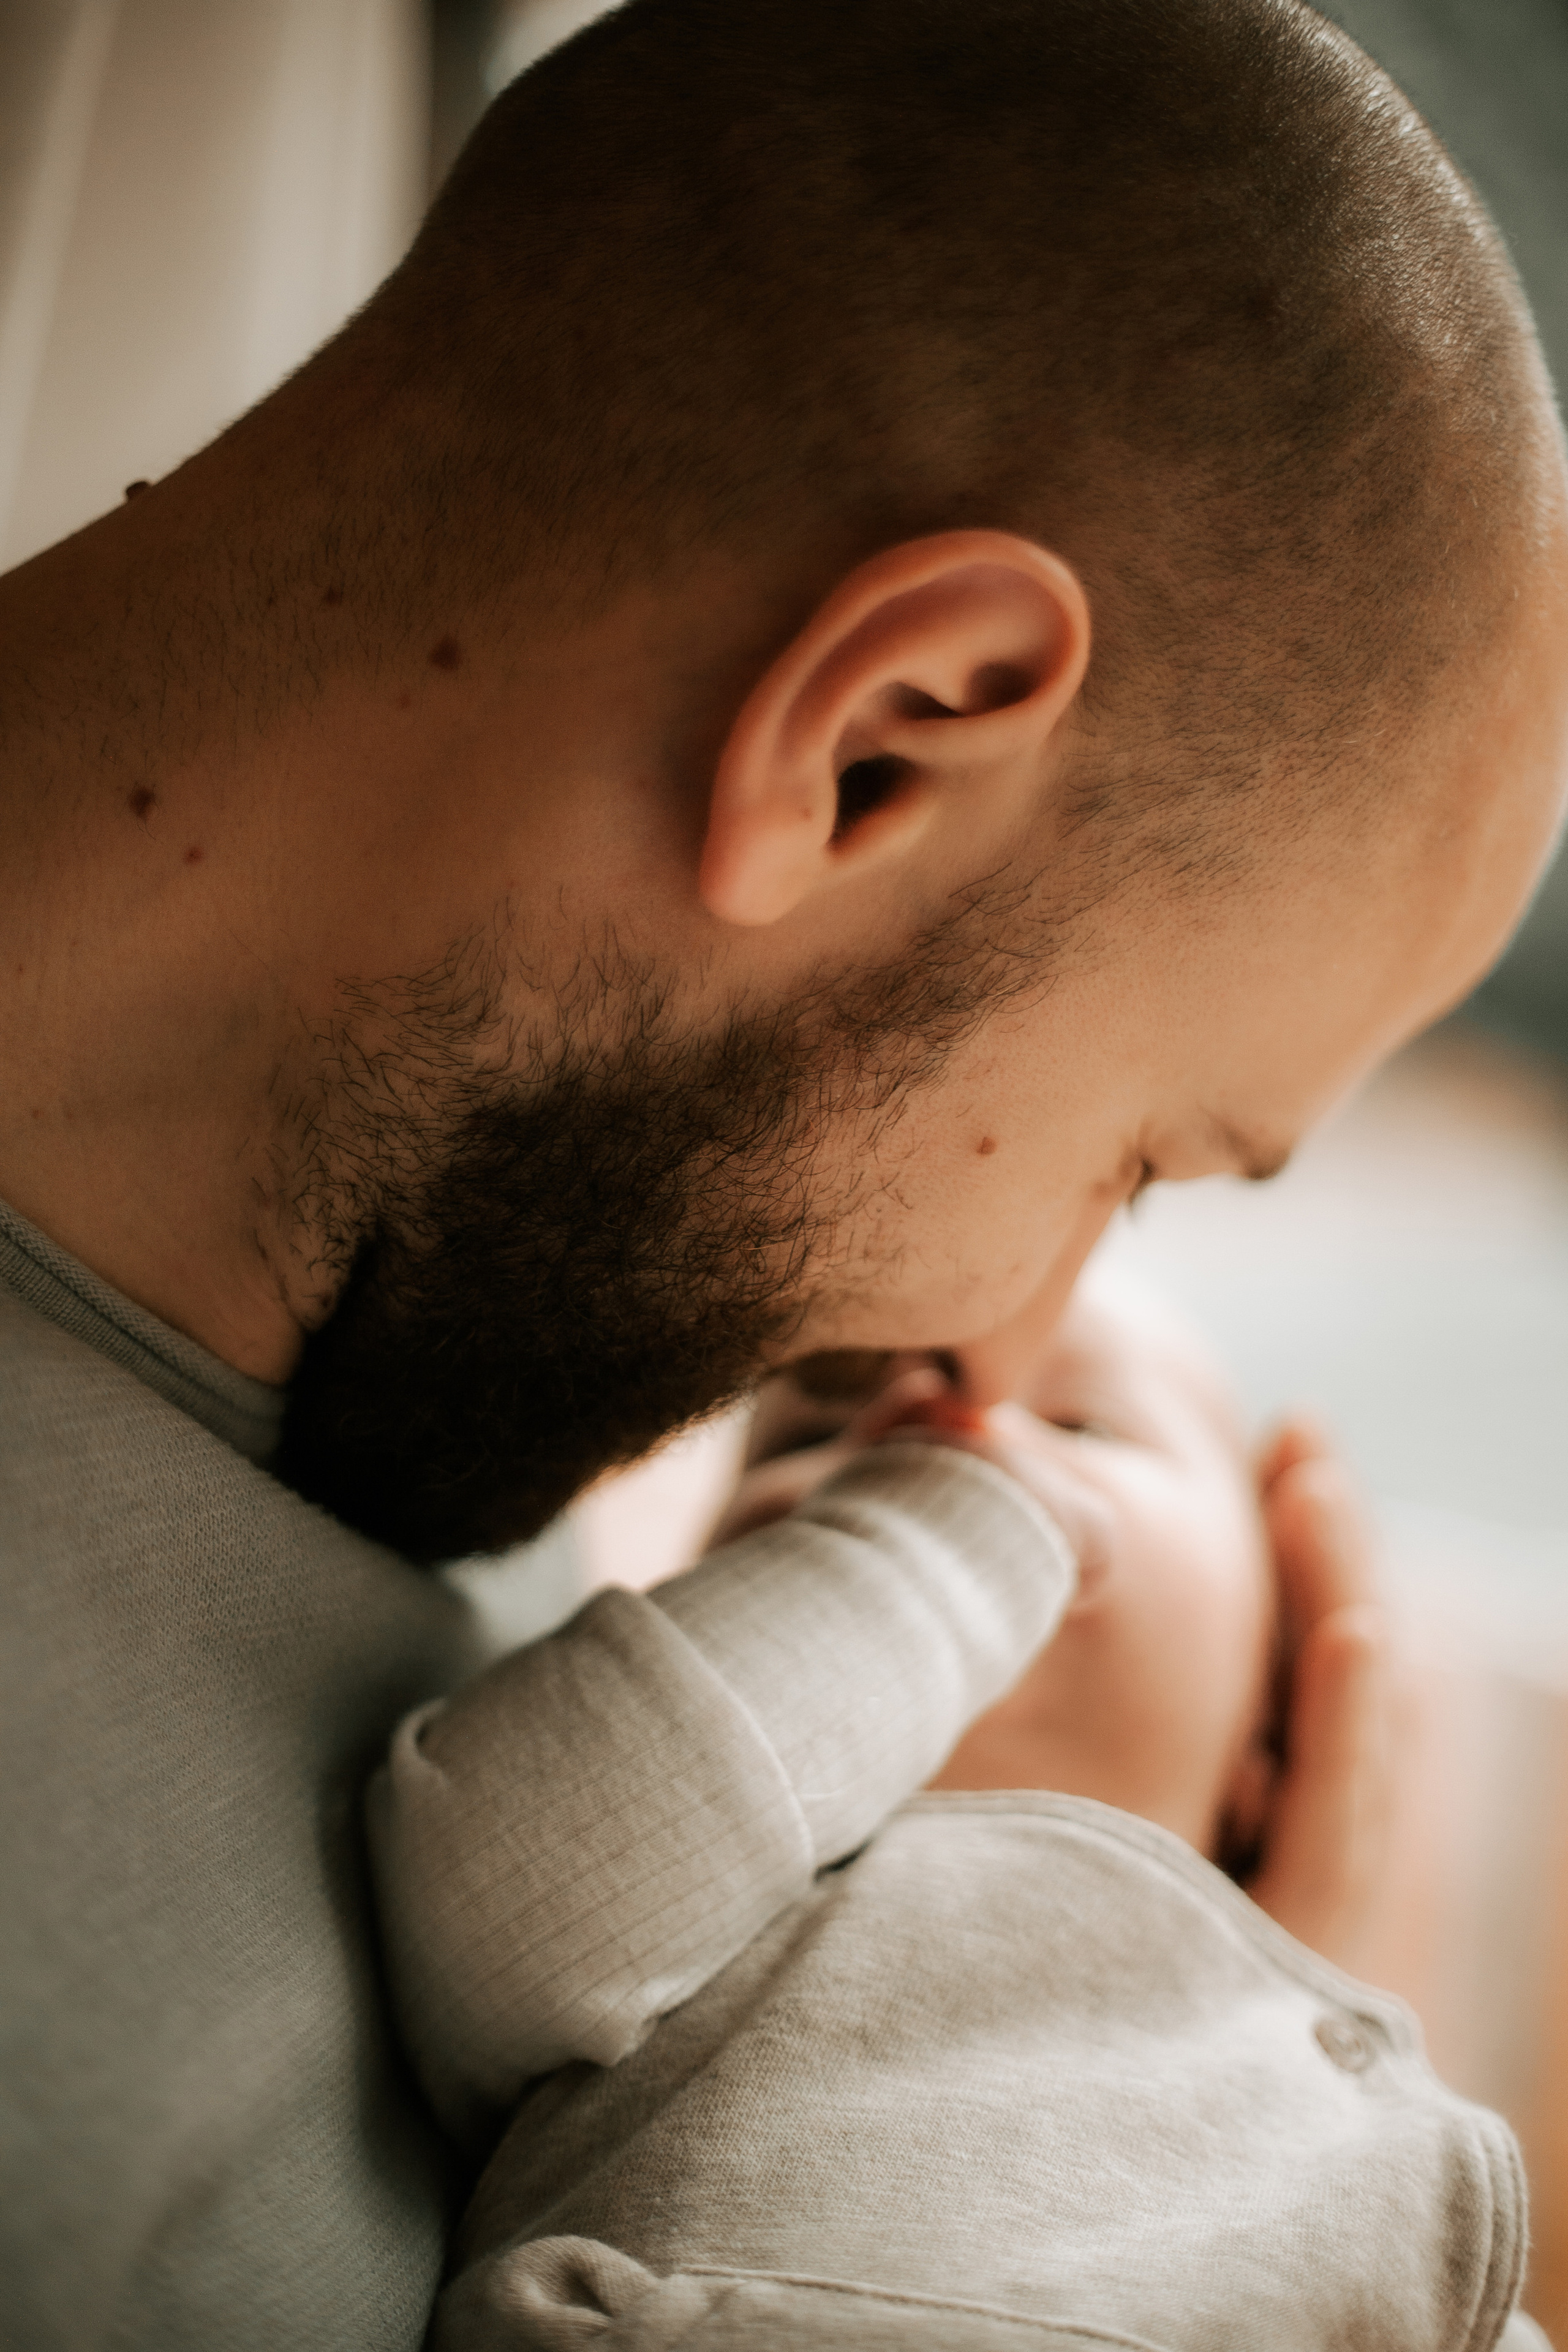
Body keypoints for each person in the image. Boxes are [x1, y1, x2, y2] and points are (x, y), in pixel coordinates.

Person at [2, 0, 1566, 2343]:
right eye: (1139, 1161)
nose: (1003, 1349)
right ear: (881, 744)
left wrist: (1117, 2050)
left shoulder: (440, 1373)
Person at [372, 1277, 1545, 2350]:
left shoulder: (1357, 2132)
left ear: (1263, 1741)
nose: (937, 1422)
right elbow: (494, 1900)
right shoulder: (678, 1892)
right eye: (813, 1438)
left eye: (1085, 1424)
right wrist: (952, 1538)